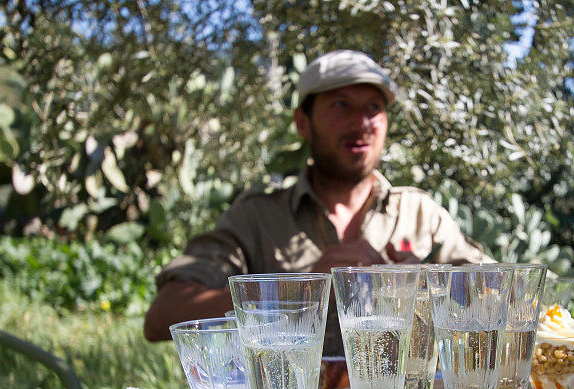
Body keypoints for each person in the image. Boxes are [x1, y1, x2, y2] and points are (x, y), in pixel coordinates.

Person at [144, 50, 493, 354]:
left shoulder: (420, 214)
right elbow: (162, 317)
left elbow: (506, 296)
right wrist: (300, 290)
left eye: (374, 107)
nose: (362, 123)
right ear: (302, 123)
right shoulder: (256, 218)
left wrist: (435, 287)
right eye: (341, 105)